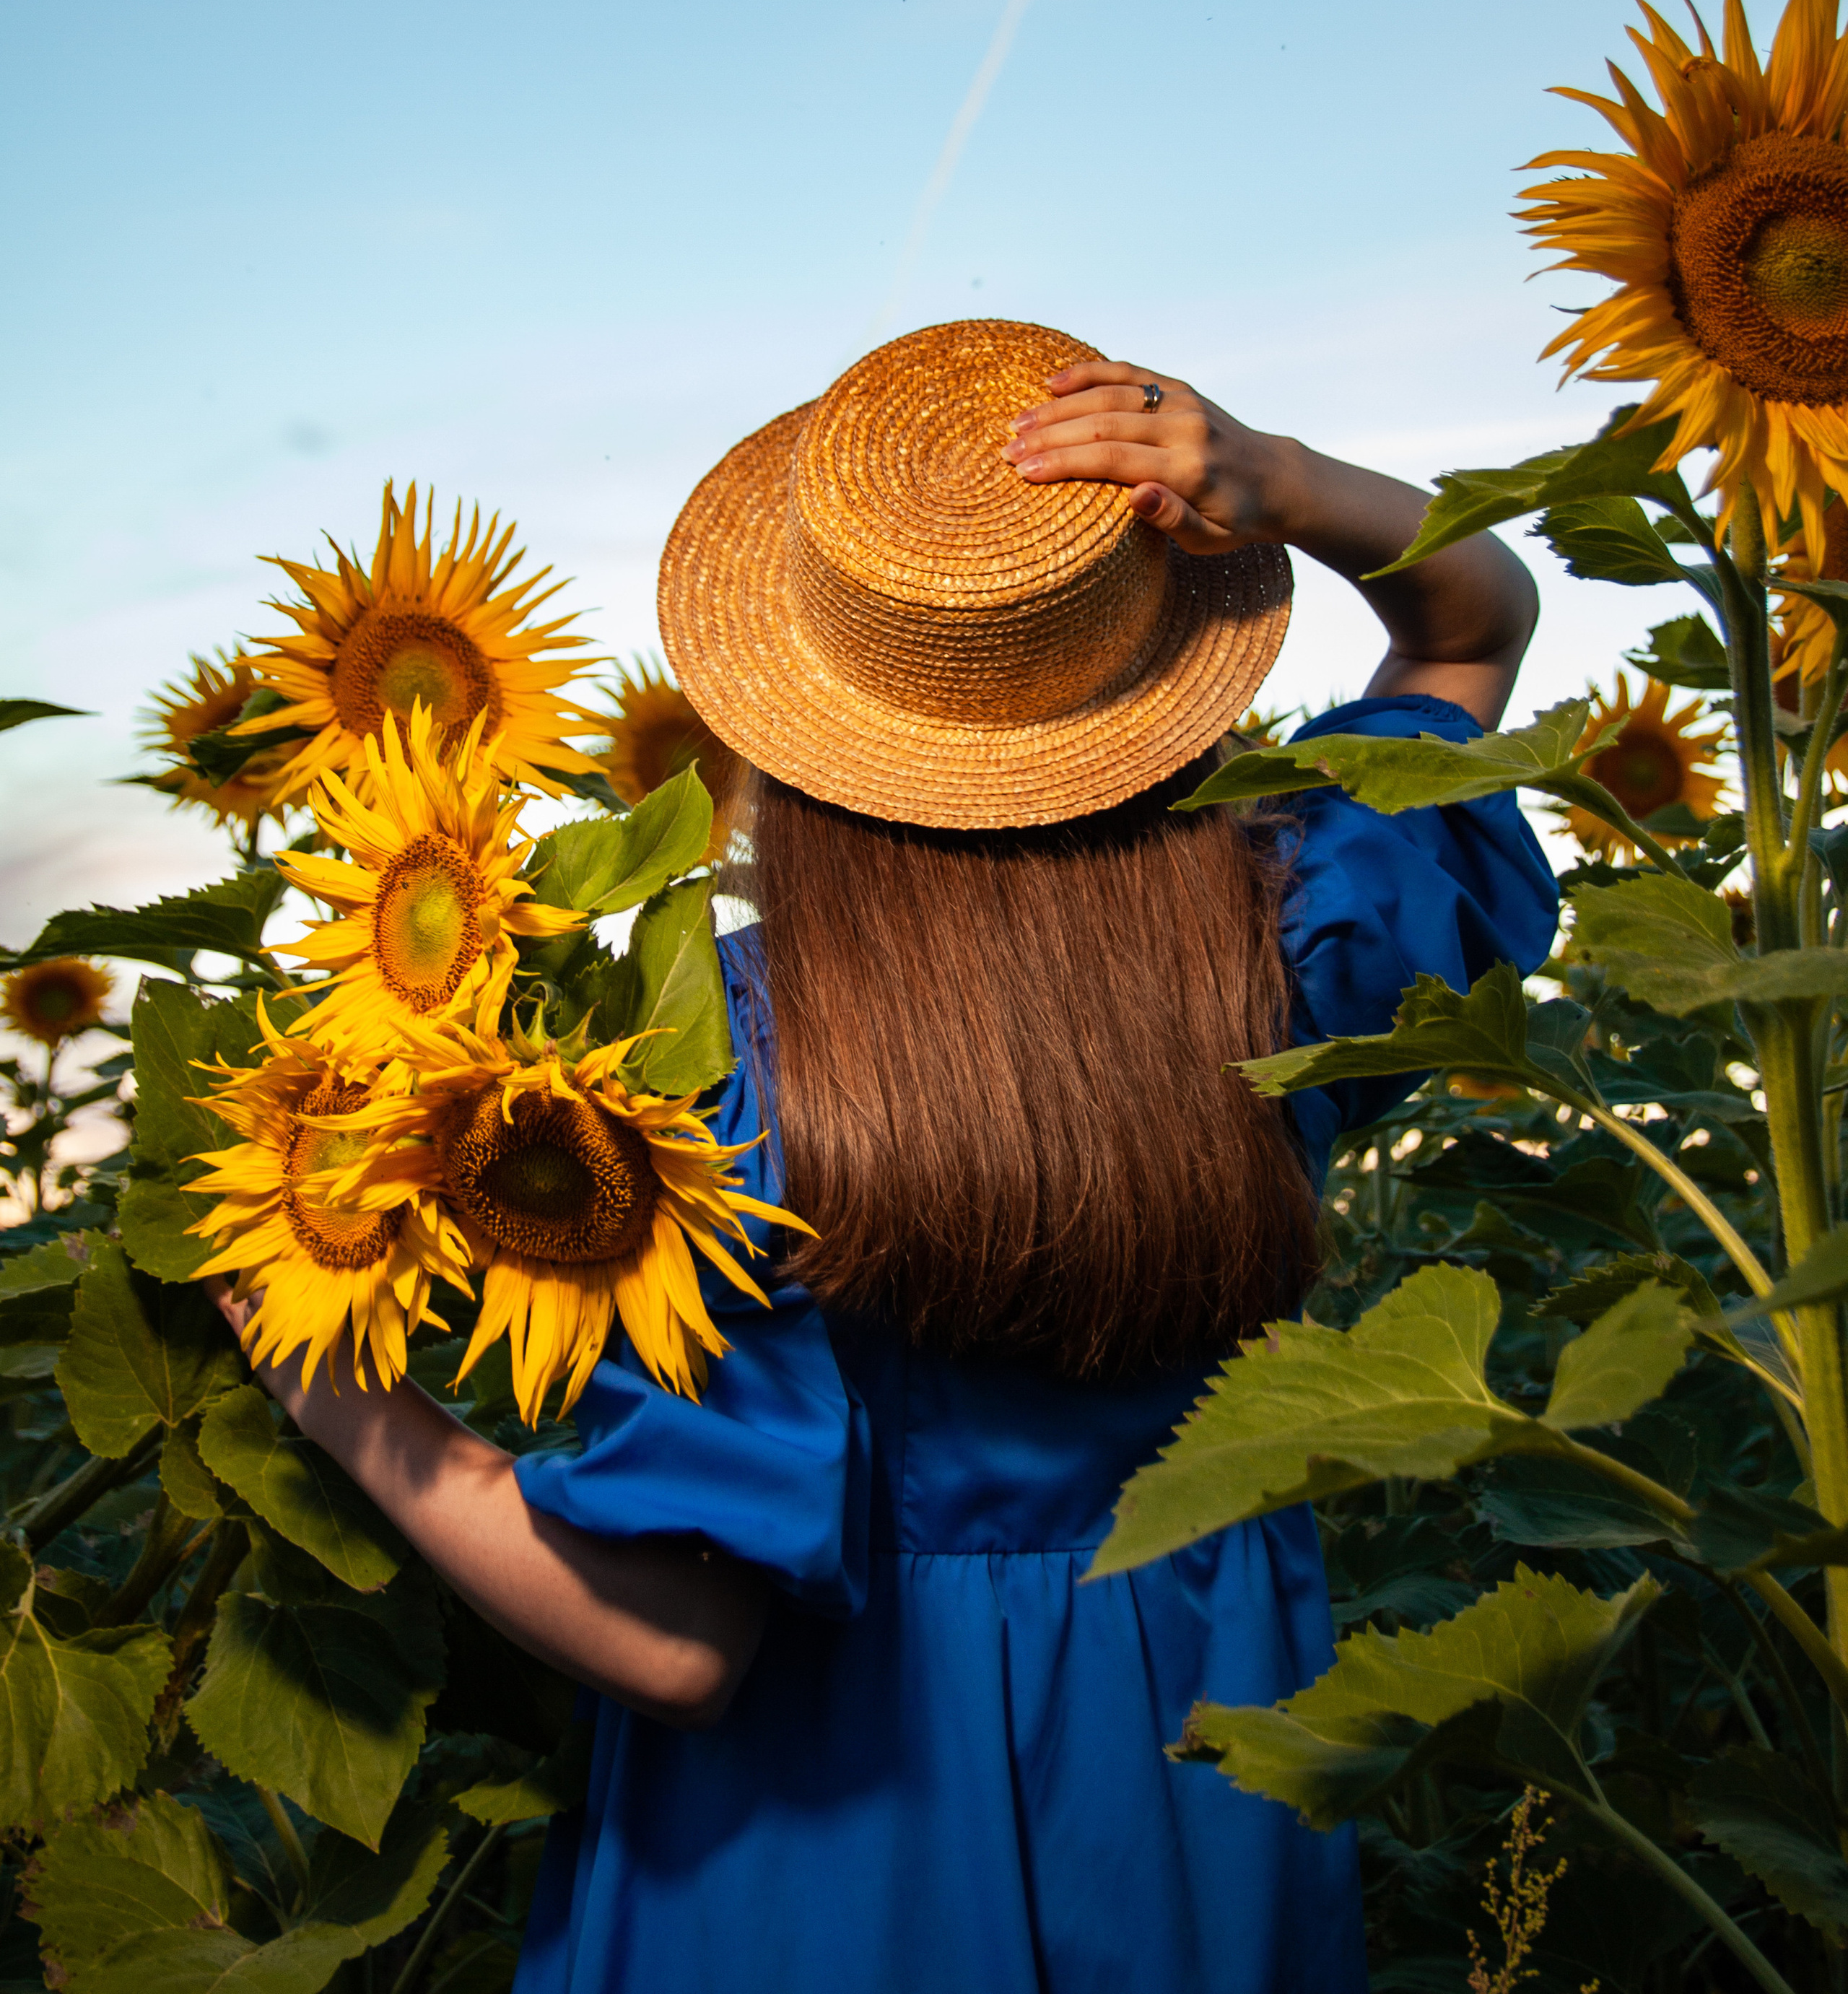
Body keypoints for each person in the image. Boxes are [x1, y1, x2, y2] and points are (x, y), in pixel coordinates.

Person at [219, 320, 1554, 1994]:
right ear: (1158, 698)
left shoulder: (725, 1084)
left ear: (788, 733)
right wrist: (1280, 481)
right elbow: (1466, 631)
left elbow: (674, 1642)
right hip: (1195, 1754)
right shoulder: (1289, 958)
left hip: (821, 1841)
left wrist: (330, 1383)